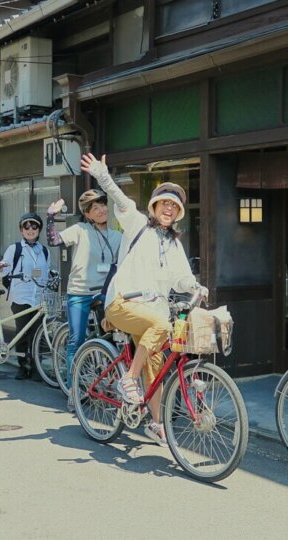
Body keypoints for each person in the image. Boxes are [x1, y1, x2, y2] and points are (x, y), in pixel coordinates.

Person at [79, 152, 207, 446]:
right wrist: (101, 173)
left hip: (151, 312)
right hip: (122, 302)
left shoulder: (173, 241)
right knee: (161, 326)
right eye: (164, 203)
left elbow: (181, 277)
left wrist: (197, 286)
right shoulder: (137, 223)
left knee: (156, 368)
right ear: (154, 205)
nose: (168, 209)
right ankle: (127, 379)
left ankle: (156, 423)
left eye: (174, 207)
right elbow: (119, 198)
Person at [46, 189, 123, 407]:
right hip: (79, 291)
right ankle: (73, 389)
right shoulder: (80, 230)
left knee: (114, 338)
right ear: (87, 214)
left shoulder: (117, 235)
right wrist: (51, 217)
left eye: (103, 205)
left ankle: (111, 383)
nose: (101, 210)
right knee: (76, 340)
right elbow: (53, 240)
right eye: (95, 208)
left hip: (105, 293)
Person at [0, 212, 52, 380]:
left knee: (37, 334)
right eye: (26, 226)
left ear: (39, 229)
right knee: (22, 333)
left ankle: (36, 368)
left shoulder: (44, 251)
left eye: (34, 226)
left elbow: (47, 272)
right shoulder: (15, 249)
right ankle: (22, 367)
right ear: (21, 230)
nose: (30, 229)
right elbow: (3, 270)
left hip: (38, 298)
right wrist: (0, 267)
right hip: (21, 296)